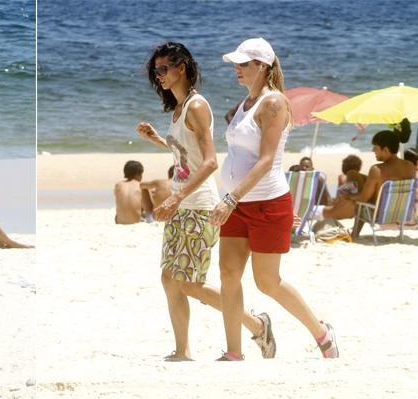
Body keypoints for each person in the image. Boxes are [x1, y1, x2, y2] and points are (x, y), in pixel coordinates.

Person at [136, 42, 275, 361]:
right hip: (181, 205)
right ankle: (183, 350)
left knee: (190, 283)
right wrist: (158, 139)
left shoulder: (197, 106)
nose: (159, 76)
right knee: (169, 279)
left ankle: (256, 325)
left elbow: (210, 162)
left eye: (163, 69)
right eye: (155, 71)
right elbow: (187, 158)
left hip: (197, 205)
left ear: (181, 68)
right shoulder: (178, 108)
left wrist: (175, 197)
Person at [211, 37, 338, 361]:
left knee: (267, 282)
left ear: (263, 66)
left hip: (266, 203)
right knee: (228, 275)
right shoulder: (245, 104)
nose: (237, 69)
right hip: (236, 203)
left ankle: (321, 332)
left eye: (244, 64)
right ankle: (234, 352)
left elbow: (266, 160)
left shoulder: (274, 102)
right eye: (236, 63)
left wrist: (231, 198)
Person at [343, 131, 416, 239]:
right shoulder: (410, 166)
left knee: (360, 201)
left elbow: (363, 198)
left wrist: (349, 196)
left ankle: (354, 233)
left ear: (385, 150)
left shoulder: (377, 170)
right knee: (361, 178)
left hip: (379, 215)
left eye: (375, 148)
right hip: (402, 213)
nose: (373, 150)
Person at [311, 154, 367, 221]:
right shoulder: (362, 179)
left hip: (339, 211)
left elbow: (340, 197)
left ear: (345, 166)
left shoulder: (343, 177)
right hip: (353, 212)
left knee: (321, 186)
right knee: (331, 189)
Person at [113, 160, 170, 224]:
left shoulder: (118, 185)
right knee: (147, 209)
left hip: (119, 221)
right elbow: (150, 207)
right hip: (135, 221)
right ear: (138, 174)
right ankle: (146, 217)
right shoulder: (140, 185)